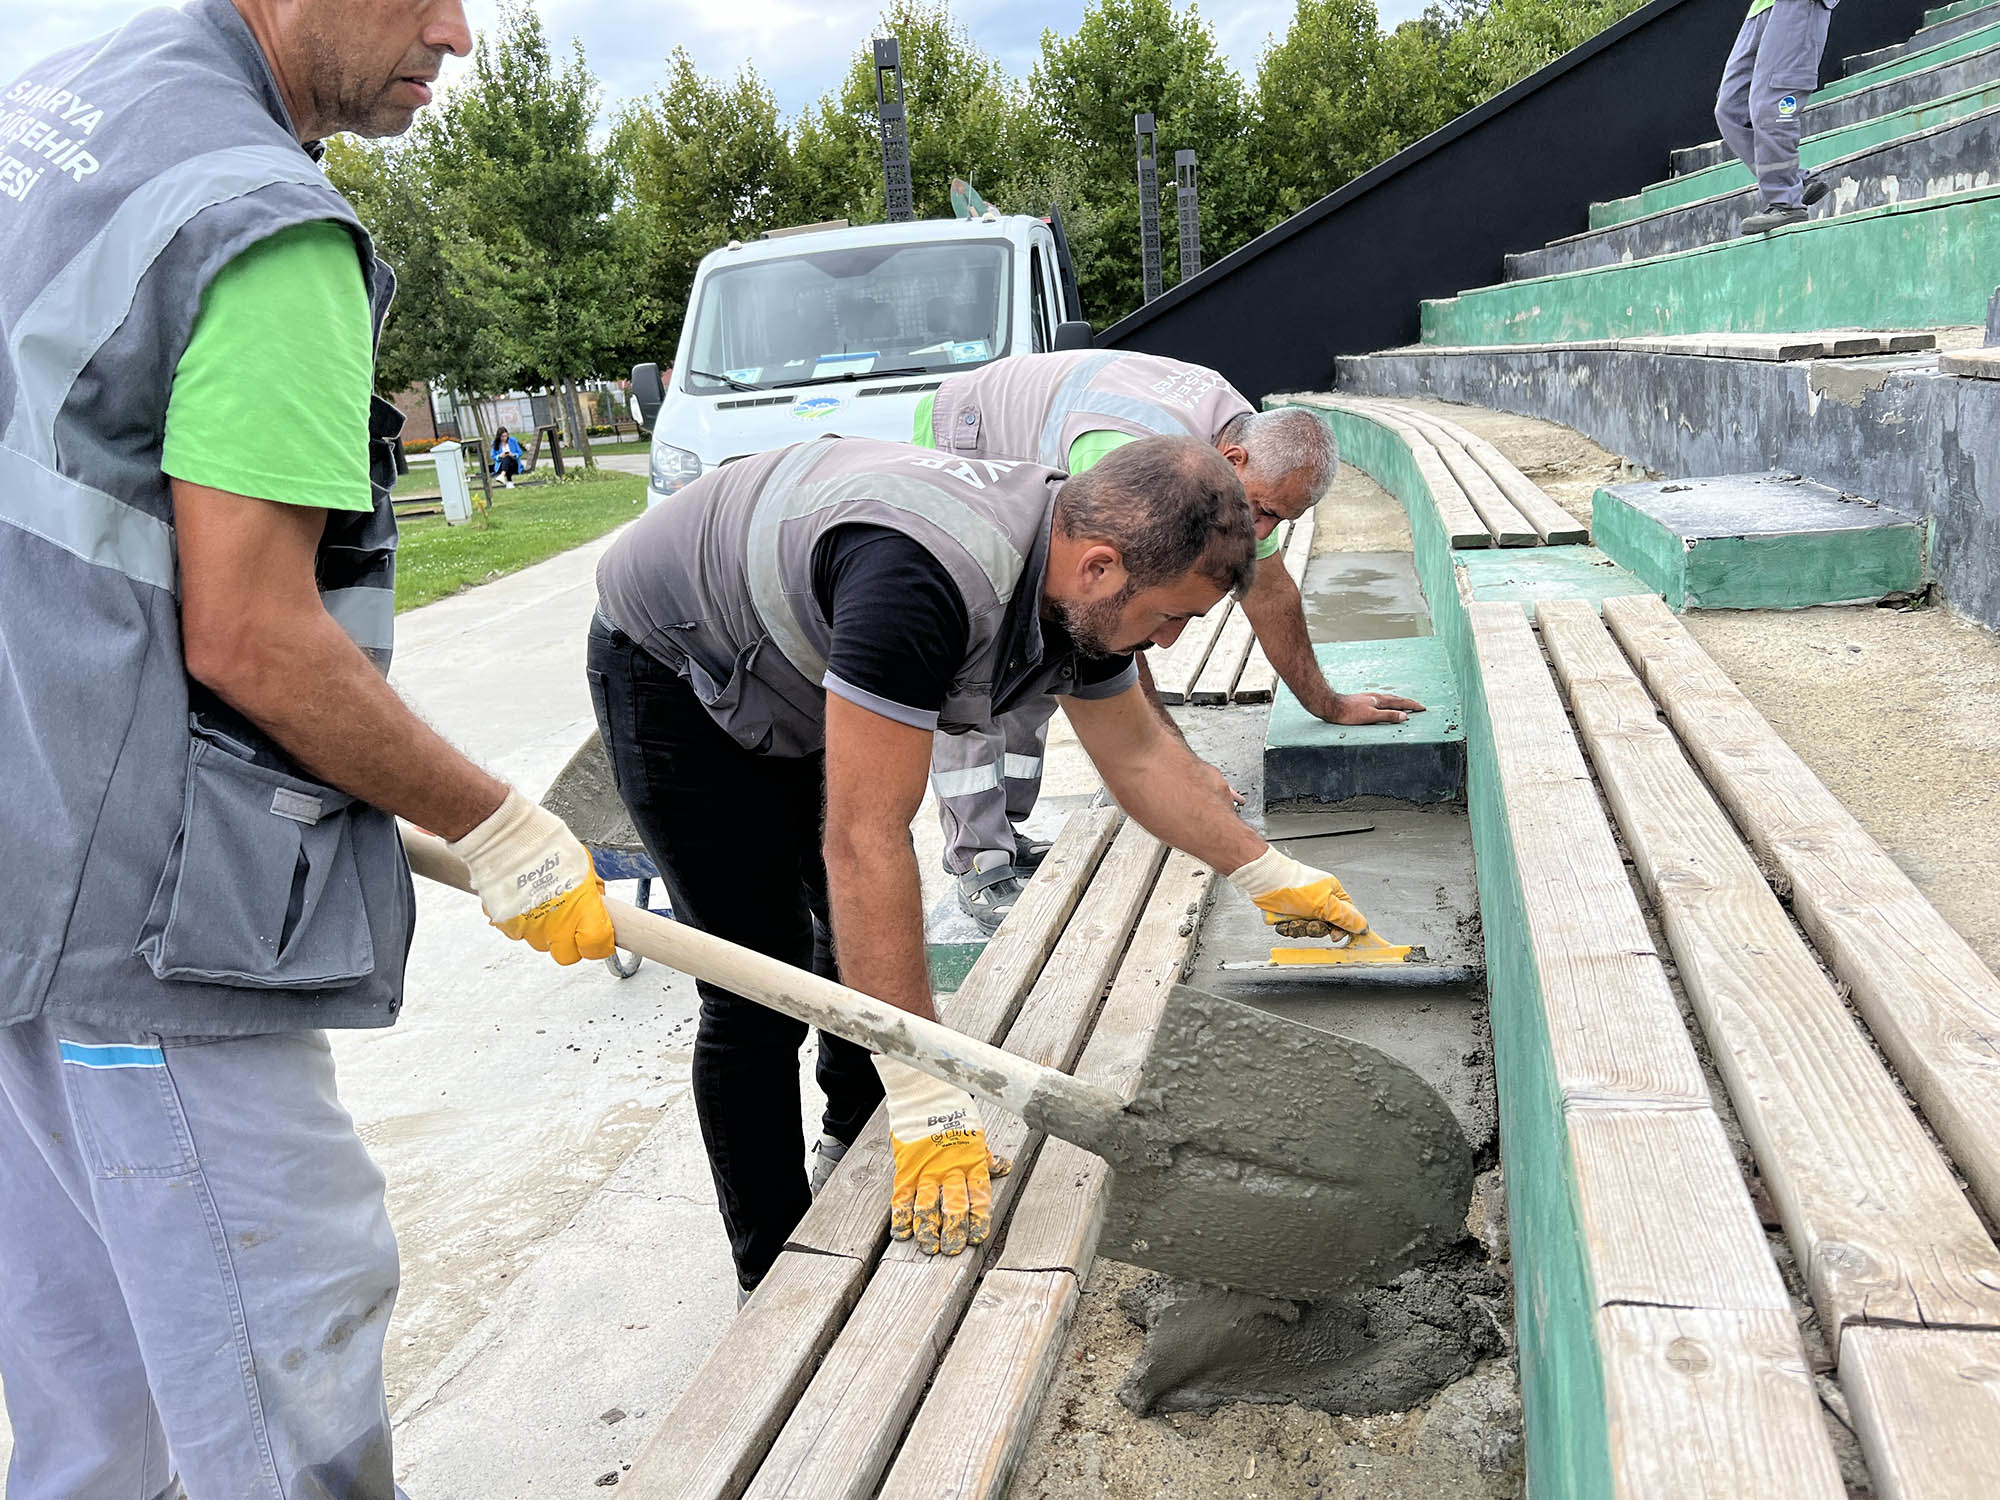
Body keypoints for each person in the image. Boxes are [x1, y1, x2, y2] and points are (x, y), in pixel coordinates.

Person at [0, 2, 616, 1495]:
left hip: (20, 852)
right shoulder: (256, 216)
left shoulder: (57, 116)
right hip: (132, 903)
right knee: (283, 1348)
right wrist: (505, 828)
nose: (459, 33)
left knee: (105, 1386)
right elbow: (257, 638)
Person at [591, 433, 1390, 1298]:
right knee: (757, 984)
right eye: (1169, 617)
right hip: (681, 664)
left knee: (837, 936)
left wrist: (1269, 875)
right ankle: (777, 1271)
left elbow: (1141, 761)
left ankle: (858, 1132)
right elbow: (868, 841)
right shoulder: (919, 582)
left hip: (803, 642)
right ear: (1099, 567)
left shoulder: (1083, 574)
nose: (1164, 644)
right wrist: (930, 1085)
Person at [913, 350, 1425, 929]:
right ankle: (978, 861)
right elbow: (1113, 628)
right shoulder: (1127, 463)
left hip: (1056, 430)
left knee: (1042, 662)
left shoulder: (1234, 456)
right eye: (1261, 511)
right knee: (984, 662)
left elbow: (1270, 591)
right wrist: (1182, 767)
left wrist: (1327, 703)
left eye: (1278, 521)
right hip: (971, 430)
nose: (1260, 531)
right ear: (1233, 461)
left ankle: (1007, 827)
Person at [1716, 0, 1837, 234]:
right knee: (1730, 109)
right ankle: (1796, 182)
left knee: (1772, 102)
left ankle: (1787, 202)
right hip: (1761, 7)